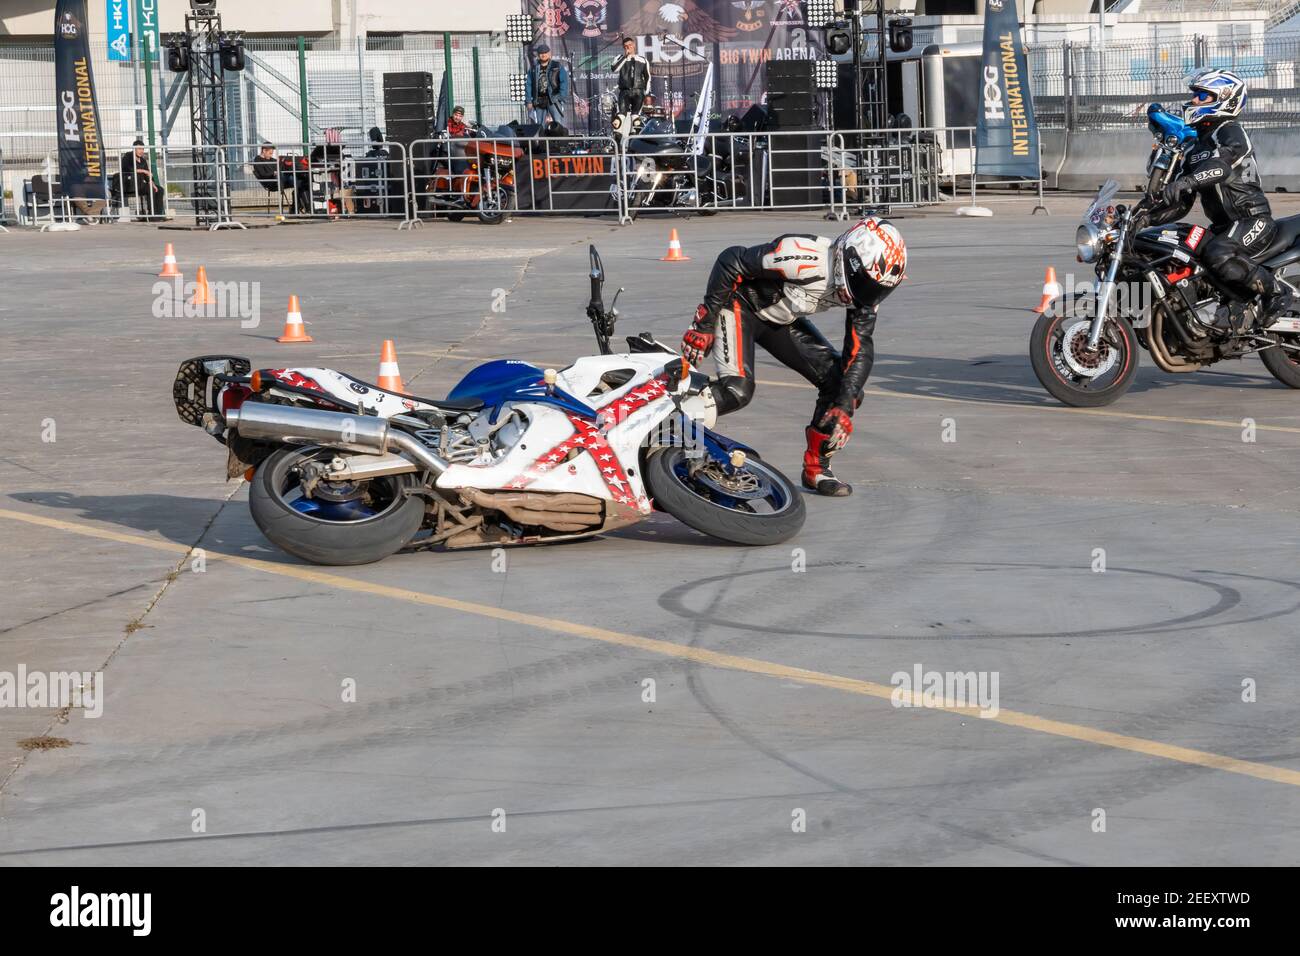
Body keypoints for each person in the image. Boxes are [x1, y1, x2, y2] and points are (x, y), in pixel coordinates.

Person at [680, 219, 908, 497]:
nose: (868, 295)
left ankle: (817, 468)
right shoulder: (803, 255)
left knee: (842, 387)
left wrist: (845, 405)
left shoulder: (866, 292)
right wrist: (705, 324)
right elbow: (732, 260)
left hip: (780, 319)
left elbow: (860, 348)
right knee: (737, 390)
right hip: (739, 306)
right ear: (848, 258)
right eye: (865, 283)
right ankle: (672, 425)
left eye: (877, 289)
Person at [1146, 69, 1297, 329]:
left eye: (1202, 95)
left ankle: (1277, 292)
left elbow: (1222, 166)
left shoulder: (1230, 131)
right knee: (1184, 253)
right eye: (1195, 95)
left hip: (1252, 220)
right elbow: (1182, 205)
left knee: (1219, 253)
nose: (1194, 101)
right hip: (1223, 227)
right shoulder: (1194, 148)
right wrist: (1144, 218)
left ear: (1224, 99)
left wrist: (1188, 180)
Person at [252, 143, 312, 214]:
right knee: (299, 182)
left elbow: (282, 166)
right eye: (270, 153)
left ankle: (298, 209)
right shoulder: (258, 160)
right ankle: (299, 208)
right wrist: (274, 173)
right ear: (264, 150)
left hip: (281, 179)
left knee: (302, 181)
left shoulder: (272, 160)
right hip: (272, 182)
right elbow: (263, 174)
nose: (271, 155)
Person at [526, 44, 570, 129]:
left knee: (558, 124)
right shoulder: (533, 68)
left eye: (545, 52)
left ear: (549, 53)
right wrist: (529, 101)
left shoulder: (557, 66)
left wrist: (560, 97)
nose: (543, 54)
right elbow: (528, 84)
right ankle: (542, 142)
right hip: (539, 100)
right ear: (538, 55)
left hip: (554, 99)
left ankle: (559, 142)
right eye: (541, 53)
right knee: (539, 126)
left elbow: (564, 82)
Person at [119, 138, 163, 217]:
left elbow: (147, 175)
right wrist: (143, 171)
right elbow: (128, 169)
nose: (141, 151)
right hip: (131, 185)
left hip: (141, 185)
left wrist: (152, 183)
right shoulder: (127, 157)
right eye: (139, 149)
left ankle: (158, 214)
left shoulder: (143, 160)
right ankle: (151, 214)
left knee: (159, 189)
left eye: (142, 149)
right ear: (134, 149)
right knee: (150, 189)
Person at [612, 36, 651, 116]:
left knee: (635, 117)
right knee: (621, 116)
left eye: (630, 45)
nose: (628, 47)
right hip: (624, 91)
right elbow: (615, 69)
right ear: (623, 47)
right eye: (625, 46)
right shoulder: (619, 58)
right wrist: (625, 57)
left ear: (634, 45)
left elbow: (647, 77)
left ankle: (635, 127)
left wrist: (646, 92)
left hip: (638, 91)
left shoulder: (642, 59)